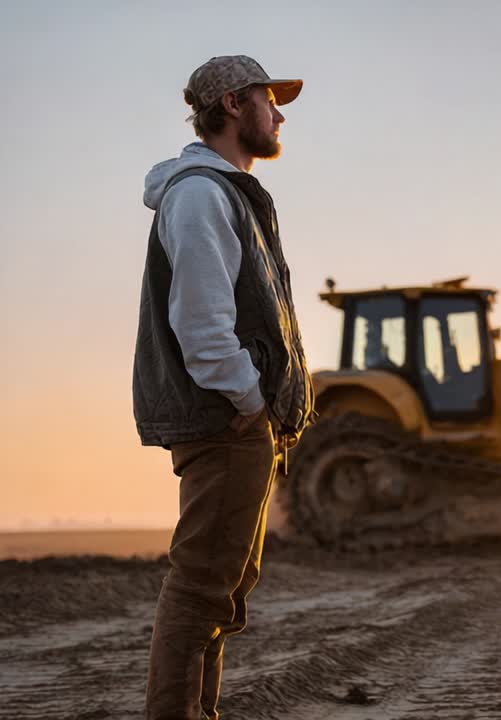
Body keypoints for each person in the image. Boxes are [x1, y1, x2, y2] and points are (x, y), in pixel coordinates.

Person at [133, 55, 314, 719]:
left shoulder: (225, 193)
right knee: (203, 590)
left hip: (238, 424)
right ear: (235, 104)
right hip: (228, 424)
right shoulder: (202, 195)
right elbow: (202, 323)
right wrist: (252, 402)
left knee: (222, 594)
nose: (280, 113)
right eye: (271, 99)